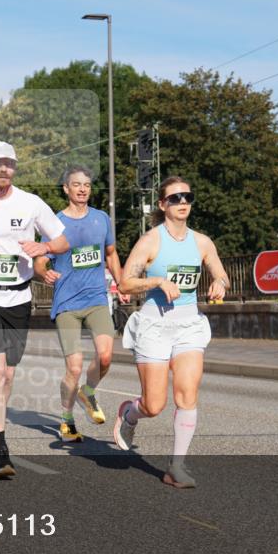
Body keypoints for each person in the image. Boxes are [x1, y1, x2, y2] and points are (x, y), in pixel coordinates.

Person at [114, 176, 229, 488]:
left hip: (189, 325)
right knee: (154, 405)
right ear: (162, 204)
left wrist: (219, 283)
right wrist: (157, 281)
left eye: (187, 197)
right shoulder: (151, 241)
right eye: (175, 198)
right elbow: (125, 282)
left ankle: (176, 467)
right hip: (155, 325)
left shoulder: (202, 242)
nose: (182, 203)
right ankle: (130, 414)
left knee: (187, 395)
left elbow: (221, 274)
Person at [0, 141, 68, 479]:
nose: (3, 169)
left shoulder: (31, 203)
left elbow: (63, 240)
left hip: (19, 297)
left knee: (8, 374)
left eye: (8, 163)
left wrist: (45, 246)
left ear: (15, 167)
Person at [33, 167, 128, 442]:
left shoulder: (101, 218)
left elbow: (111, 254)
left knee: (106, 356)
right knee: (74, 367)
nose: (83, 189)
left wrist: (121, 283)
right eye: (76, 184)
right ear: (66, 188)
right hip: (67, 303)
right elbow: (40, 261)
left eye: (86, 184)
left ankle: (88, 392)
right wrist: (44, 273)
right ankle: (66, 419)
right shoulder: (55, 223)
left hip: (97, 298)